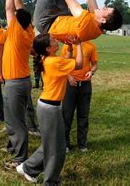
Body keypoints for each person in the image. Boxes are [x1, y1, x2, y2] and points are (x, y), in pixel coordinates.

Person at [16, 33, 83, 185]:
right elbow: (78, 64)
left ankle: (28, 168)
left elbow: (67, 61)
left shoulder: (49, 59)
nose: (56, 41)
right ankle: (51, 181)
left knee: (51, 144)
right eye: (53, 40)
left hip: (49, 106)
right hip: (50, 108)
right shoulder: (54, 62)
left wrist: (71, 47)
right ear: (48, 48)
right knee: (57, 149)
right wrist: (79, 44)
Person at [2, 0, 35, 169]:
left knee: (16, 121)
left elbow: (9, 9)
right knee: (14, 117)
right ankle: (13, 147)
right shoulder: (28, 31)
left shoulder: (16, 32)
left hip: (15, 82)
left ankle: (20, 158)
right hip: (21, 80)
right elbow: (19, 8)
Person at [61, 40, 98, 152]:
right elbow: (63, 64)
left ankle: (82, 144)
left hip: (85, 85)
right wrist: (68, 76)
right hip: (70, 84)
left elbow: (95, 64)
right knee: (67, 115)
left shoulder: (91, 46)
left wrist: (91, 72)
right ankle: (65, 144)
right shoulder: (67, 46)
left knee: (83, 115)